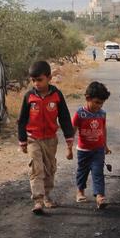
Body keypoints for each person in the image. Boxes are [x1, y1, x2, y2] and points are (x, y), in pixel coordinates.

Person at [17, 60, 75, 214]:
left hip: (50, 139)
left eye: (40, 80)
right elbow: (22, 119)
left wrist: (69, 139)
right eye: (33, 80)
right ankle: (38, 200)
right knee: (36, 168)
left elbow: (64, 117)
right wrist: (22, 140)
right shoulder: (29, 96)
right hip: (32, 138)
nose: (36, 83)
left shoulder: (56, 95)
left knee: (49, 169)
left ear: (49, 78)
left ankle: (47, 196)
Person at [73, 81, 111, 208]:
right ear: (87, 98)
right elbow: (73, 129)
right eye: (96, 102)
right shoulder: (80, 113)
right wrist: (68, 147)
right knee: (82, 171)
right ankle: (80, 191)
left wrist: (105, 145)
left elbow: (103, 129)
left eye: (101, 103)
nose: (99, 106)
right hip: (83, 150)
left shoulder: (102, 113)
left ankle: (100, 196)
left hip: (98, 150)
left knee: (98, 172)